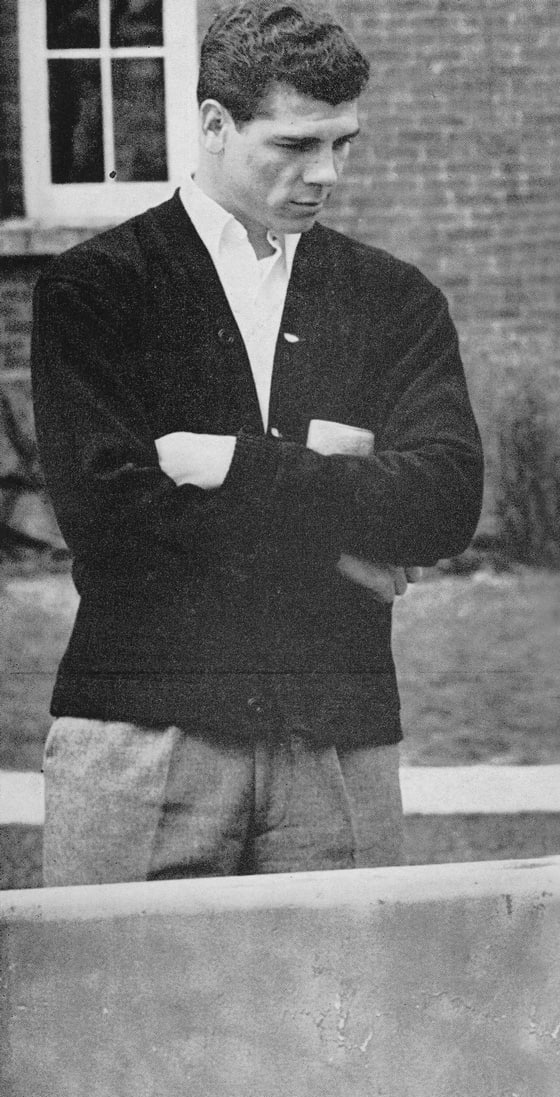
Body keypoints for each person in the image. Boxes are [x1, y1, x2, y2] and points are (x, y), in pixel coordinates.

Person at [29, 0, 483, 885]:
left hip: (338, 742)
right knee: (123, 1020)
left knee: (341, 1022)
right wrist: (348, 546)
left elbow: (443, 502)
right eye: (293, 145)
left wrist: (238, 465)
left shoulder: (394, 299)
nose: (326, 172)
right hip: (140, 736)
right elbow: (113, 526)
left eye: (342, 142)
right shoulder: (95, 289)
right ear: (213, 123)